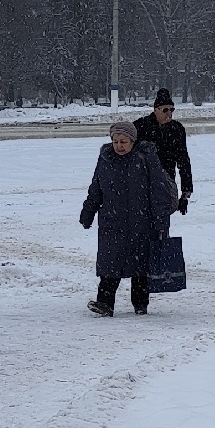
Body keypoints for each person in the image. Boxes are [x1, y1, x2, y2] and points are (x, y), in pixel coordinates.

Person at [80, 119, 174, 316]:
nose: (119, 146)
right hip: (112, 222)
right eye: (116, 142)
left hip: (141, 222)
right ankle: (105, 304)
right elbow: (96, 188)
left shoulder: (145, 158)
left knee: (140, 266)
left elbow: (158, 190)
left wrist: (160, 219)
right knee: (109, 265)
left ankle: (140, 305)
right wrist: (88, 211)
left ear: (132, 141)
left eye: (123, 142)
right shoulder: (105, 160)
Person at [131, 88, 193, 215]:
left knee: (162, 222)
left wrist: (185, 192)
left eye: (172, 109)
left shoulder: (177, 129)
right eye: (165, 110)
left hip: (166, 182)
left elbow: (183, 160)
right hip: (142, 183)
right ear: (156, 110)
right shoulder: (140, 126)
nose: (169, 113)